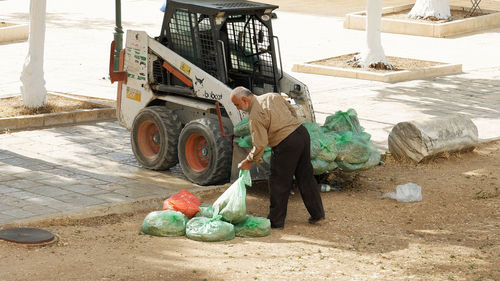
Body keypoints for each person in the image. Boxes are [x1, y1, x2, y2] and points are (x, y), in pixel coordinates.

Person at [230, 86, 325, 229]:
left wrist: (249, 160)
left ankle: (276, 221)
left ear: (245, 99)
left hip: (286, 143)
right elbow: (292, 111)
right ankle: (318, 215)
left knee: (278, 181)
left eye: (237, 104)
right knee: (305, 176)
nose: (238, 108)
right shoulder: (271, 96)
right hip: (302, 134)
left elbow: (260, 144)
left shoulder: (255, 115)